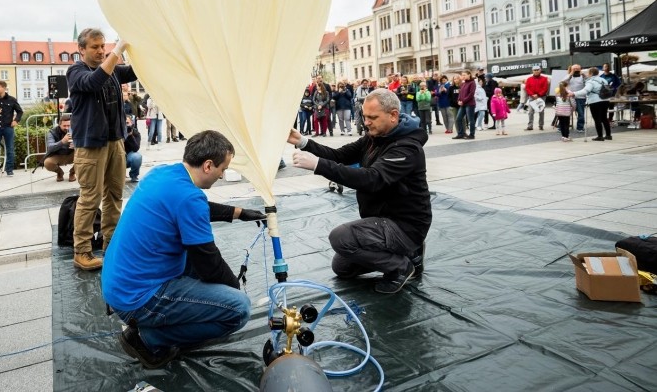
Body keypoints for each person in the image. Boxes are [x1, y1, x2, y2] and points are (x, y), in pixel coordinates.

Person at [102, 130, 255, 368]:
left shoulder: (162, 174)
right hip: (138, 300)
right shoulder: (188, 198)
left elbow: (194, 206)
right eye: (222, 169)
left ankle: (160, 321)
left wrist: (239, 213)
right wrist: (233, 290)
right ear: (207, 165)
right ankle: (148, 338)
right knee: (238, 308)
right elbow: (210, 263)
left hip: (119, 286)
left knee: (194, 261)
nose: (223, 176)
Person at [287, 89, 431, 294]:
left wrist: (319, 165)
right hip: (383, 220)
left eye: (372, 117)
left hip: (405, 226)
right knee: (342, 268)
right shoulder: (374, 137)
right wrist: (303, 142)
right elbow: (339, 155)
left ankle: (401, 266)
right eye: (364, 116)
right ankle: (410, 254)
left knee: (340, 238)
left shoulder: (407, 148)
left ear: (393, 116)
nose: (367, 122)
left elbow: (372, 179)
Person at [66, 28, 135, 271]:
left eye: (102, 45)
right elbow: (94, 82)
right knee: (90, 199)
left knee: (115, 195)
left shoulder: (112, 69)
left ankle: (111, 245)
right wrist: (117, 51)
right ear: (81, 50)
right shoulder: (76, 71)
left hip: (115, 141)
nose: (100, 50)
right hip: (91, 146)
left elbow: (136, 72)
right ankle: (82, 251)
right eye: (94, 47)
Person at [573, 67, 613, 141]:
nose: (587, 74)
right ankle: (608, 135)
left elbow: (585, 91)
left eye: (588, 73)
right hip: (605, 100)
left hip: (595, 101)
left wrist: (574, 94)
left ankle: (600, 136)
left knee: (597, 118)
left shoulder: (591, 81)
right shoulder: (603, 80)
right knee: (604, 118)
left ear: (590, 73)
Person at [43, 114, 75, 181]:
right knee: (47, 163)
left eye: (68, 126)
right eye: (64, 126)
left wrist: (76, 145)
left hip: (72, 154)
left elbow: (84, 143)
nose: (66, 128)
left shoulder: (76, 130)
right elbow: (50, 147)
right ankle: (60, 172)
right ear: (59, 125)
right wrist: (63, 141)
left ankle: (72, 173)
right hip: (58, 155)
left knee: (84, 156)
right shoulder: (52, 132)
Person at [561, 64, 587, 132]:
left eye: (577, 69)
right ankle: (563, 127)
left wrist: (583, 75)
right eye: (574, 69)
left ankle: (580, 127)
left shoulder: (583, 76)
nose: (576, 70)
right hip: (569, 97)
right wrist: (571, 73)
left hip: (580, 97)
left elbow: (588, 82)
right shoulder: (569, 76)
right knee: (565, 112)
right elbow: (562, 82)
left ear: (580, 69)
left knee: (581, 113)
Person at [524, 66, 549, 131]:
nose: (536, 71)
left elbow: (545, 88)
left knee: (541, 111)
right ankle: (530, 126)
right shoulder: (529, 79)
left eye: (537, 70)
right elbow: (527, 88)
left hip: (541, 97)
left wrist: (538, 94)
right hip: (532, 97)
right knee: (530, 112)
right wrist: (532, 94)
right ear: (532, 71)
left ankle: (541, 125)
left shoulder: (544, 78)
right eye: (534, 70)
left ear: (540, 70)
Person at [454, 70, 476, 140]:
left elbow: (471, 94)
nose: (463, 76)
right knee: (458, 119)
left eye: (464, 75)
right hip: (463, 104)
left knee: (470, 120)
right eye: (462, 75)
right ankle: (461, 134)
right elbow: (460, 94)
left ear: (469, 74)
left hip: (470, 104)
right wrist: (458, 101)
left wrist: (463, 101)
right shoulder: (463, 84)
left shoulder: (472, 83)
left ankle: (472, 135)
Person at [124, 115, 142, 182]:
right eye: (124, 123)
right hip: (117, 157)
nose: (126, 125)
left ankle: (134, 175)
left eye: (127, 123)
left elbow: (136, 148)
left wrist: (130, 136)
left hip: (128, 157)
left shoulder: (135, 133)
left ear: (132, 123)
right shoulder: (117, 132)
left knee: (137, 157)